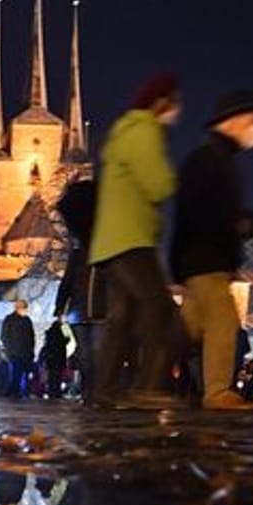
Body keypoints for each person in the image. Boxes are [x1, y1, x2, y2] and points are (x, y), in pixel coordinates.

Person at [88, 73, 183, 409]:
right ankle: (148, 386)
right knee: (159, 306)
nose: (178, 109)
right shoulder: (144, 131)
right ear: (161, 102)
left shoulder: (123, 133)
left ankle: (105, 390)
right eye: (175, 101)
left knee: (121, 318)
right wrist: (173, 179)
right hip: (132, 239)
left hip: (110, 242)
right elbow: (159, 184)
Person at [171, 90, 253, 411]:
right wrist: (236, 228)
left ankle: (145, 374)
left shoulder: (218, 157)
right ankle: (217, 393)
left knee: (190, 330)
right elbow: (198, 210)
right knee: (223, 322)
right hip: (205, 259)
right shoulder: (210, 158)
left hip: (200, 259)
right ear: (233, 122)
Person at [0, 300, 37, 398]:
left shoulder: (26, 320)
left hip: (24, 352)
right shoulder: (10, 319)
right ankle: (13, 392)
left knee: (21, 374)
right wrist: (9, 348)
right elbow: (4, 336)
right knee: (16, 373)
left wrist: (31, 350)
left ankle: (15, 392)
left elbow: (31, 337)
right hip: (15, 352)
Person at [41, 319, 69, 398]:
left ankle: (51, 392)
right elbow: (67, 339)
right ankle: (56, 392)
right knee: (58, 376)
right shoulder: (61, 335)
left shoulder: (49, 334)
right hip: (59, 358)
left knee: (51, 376)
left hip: (51, 358)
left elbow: (46, 346)